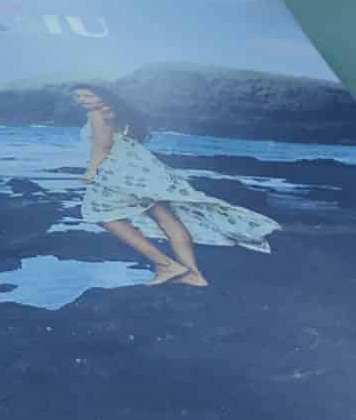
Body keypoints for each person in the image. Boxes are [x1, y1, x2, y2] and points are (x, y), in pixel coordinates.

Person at [73, 84, 279, 287]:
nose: (82, 101)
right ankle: (194, 274)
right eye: (79, 97)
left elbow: (103, 145)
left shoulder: (96, 115)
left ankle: (166, 265)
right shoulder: (119, 112)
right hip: (143, 172)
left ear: (100, 95)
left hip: (116, 174)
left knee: (101, 215)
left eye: (87, 96)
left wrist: (92, 171)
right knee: (166, 219)